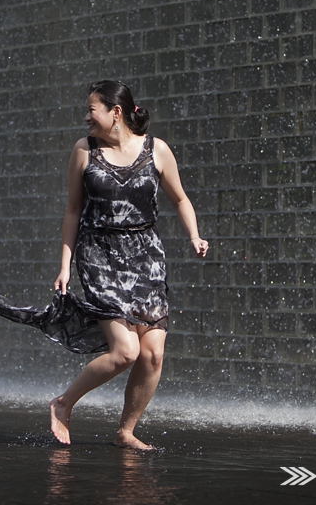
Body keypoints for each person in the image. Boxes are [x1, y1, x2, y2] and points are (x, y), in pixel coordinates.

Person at [49, 80, 209, 450]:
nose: (86, 116)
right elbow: (73, 211)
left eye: (92, 109)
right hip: (99, 253)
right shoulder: (83, 151)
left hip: (145, 255)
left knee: (152, 354)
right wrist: (64, 265)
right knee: (126, 351)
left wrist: (194, 235)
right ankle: (63, 403)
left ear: (115, 112)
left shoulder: (157, 150)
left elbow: (180, 199)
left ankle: (125, 431)